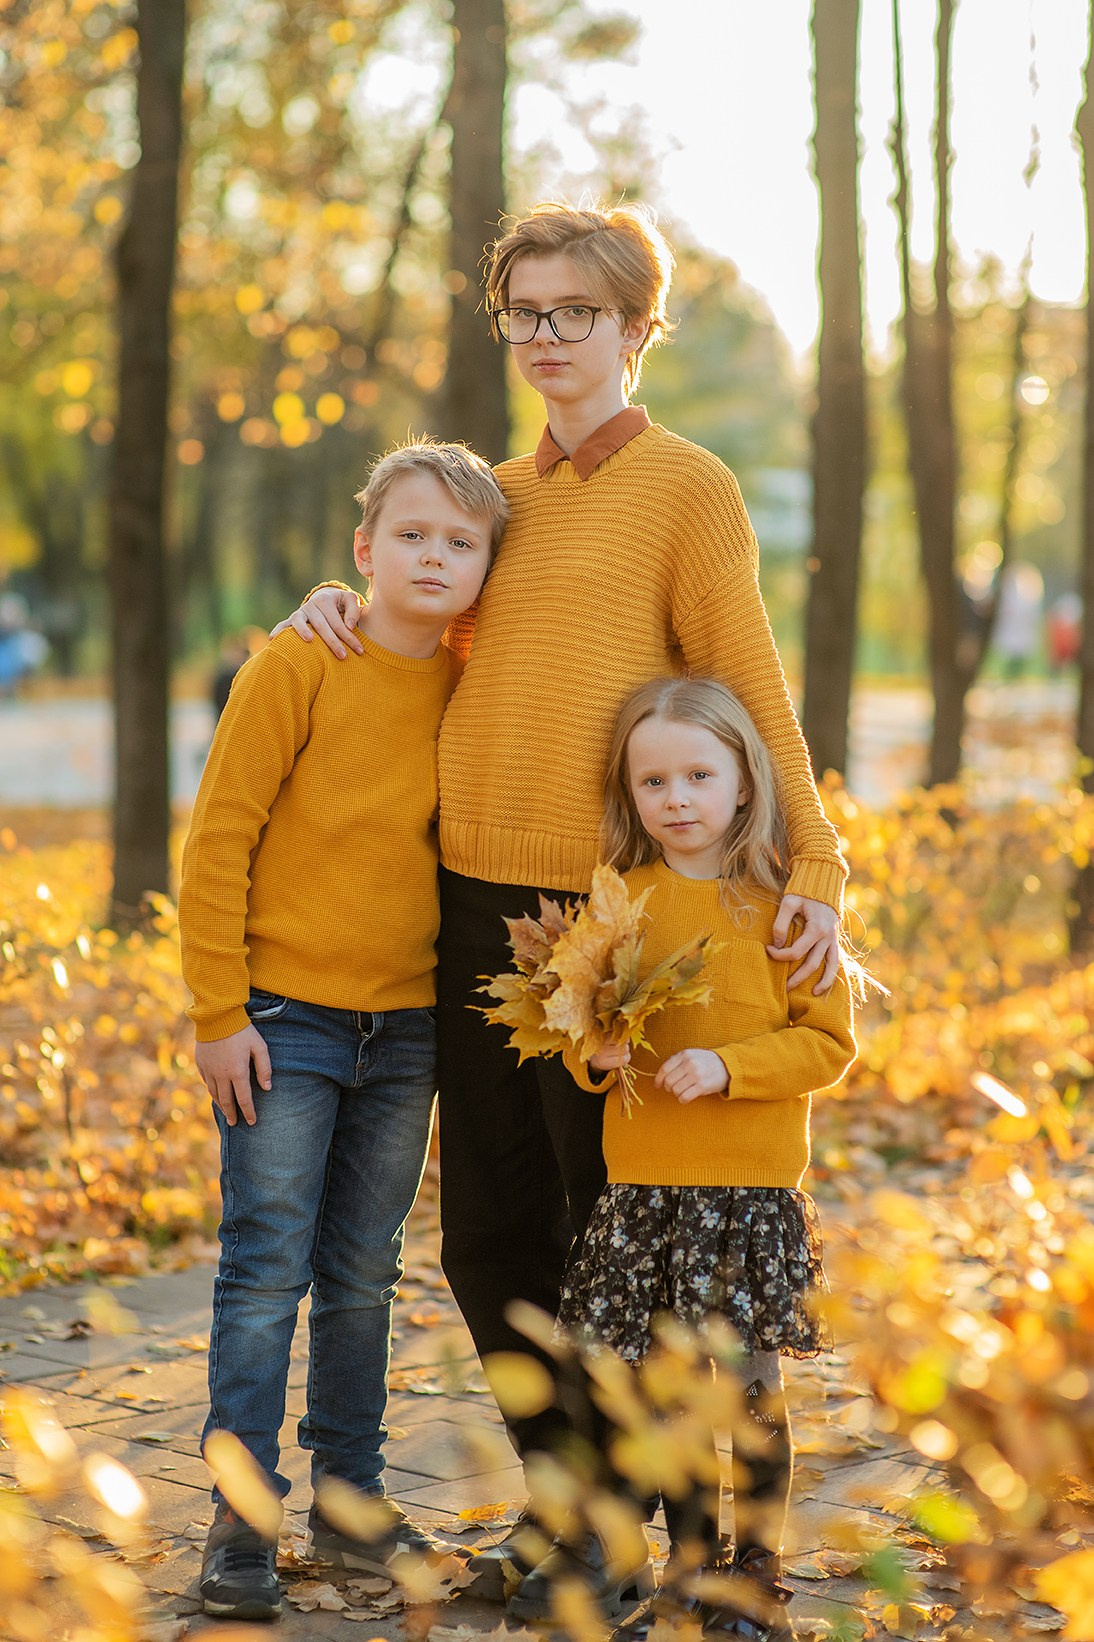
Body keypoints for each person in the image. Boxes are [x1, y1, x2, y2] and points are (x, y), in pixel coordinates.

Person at [276, 201, 849, 1595]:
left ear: (636, 328)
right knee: (486, 1231)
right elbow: (413, 617)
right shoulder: (492, 499)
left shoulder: (689, 490)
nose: (544, 339)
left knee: (609, 1238)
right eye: (523, 313)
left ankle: (645, 1536)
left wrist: (817, 861)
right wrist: (326, 612)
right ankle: (564, 1514)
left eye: (574, 313)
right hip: (469, 905)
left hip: (610, 925)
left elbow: (744, 687)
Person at [178, 440, 508, 1621]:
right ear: (363, 549)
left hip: (406, 1028)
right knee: (265, 1267)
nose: (434, 556)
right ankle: (240, 1515)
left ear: (482, 569)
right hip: (281, 1019)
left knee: (363, 1272)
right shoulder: (298, 663)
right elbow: (218, 839)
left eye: (460, 542)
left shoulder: (472, 678)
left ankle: (353, 1502)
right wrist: (217, 1014)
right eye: (411, 535)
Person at [513, 676, 856, 1638]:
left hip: (744, 1197)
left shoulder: (786, 909)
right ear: (632, 797)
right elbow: (575, 1031)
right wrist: (597, 1054)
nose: (677, 797)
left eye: (699, 774)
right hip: (648, 1198)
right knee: (668, 1401)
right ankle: (690, 1572)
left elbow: (830, 1045)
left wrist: (731, 1065)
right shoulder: (619, 905)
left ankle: (756, 1579)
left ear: (744, 783)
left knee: (746, 1393)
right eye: (653, 780)